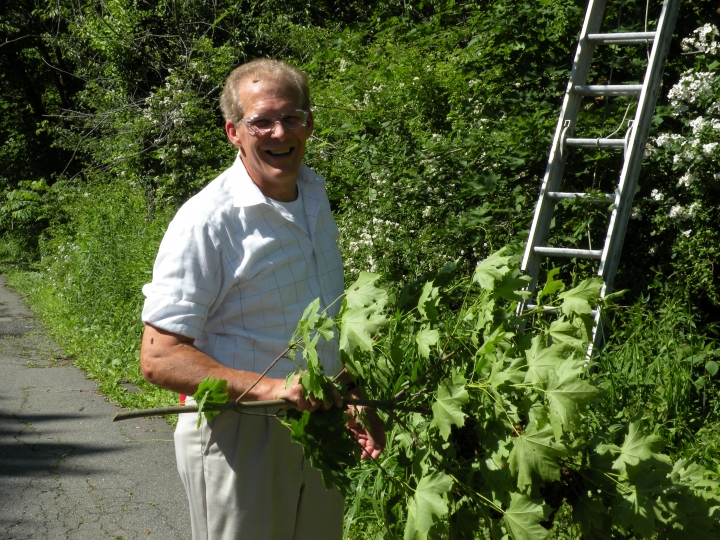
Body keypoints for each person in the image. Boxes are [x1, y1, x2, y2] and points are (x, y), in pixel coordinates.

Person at [139, 58, 385, 540]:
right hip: (238, 435)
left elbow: (318, 318)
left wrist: (352, 393)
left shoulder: (314, 195)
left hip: (316, 427)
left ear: (309, 123)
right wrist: (275, 390)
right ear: (234, 131)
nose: (279, 132)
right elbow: (159, 357)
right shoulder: (209, 220)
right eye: (261, 121)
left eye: (291, 117)